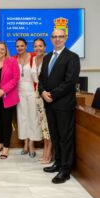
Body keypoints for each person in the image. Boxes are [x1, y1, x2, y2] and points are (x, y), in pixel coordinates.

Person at [39, 29, 80, 184]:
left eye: (60, 37)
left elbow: (69, 83)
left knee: (65, 137)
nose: (57, 39)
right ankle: (58, 162)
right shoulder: (48, 57)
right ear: (51, 39)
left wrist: (52, 95)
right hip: (49, 104)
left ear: (66, 38)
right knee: (55, 135)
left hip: (63, 104)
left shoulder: (72, 57)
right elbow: (41, 78)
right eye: (54, 37)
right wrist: (42, 92)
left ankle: (65, 170)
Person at [15, 38, 42, 158]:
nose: (20, 48)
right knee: (22, 118)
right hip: (19, 92)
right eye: (17, 46)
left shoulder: (33, 57)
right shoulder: (13, 59)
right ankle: (25, 143)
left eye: (22, 45)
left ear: (26, 46)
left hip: (32, 91)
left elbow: (37, 76)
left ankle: (32, 143)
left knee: (33, 118)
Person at [32, 38, 52, 164]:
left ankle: (49, 152)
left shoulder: (49, 58)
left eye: (40, 46)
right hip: (37, 95)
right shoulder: (33, 59)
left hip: (47, 94)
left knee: (49, 125)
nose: (38, 48)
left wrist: (45, 93)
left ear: (45, 47)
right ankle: (45, 148)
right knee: (43, 125)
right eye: (35, 46)